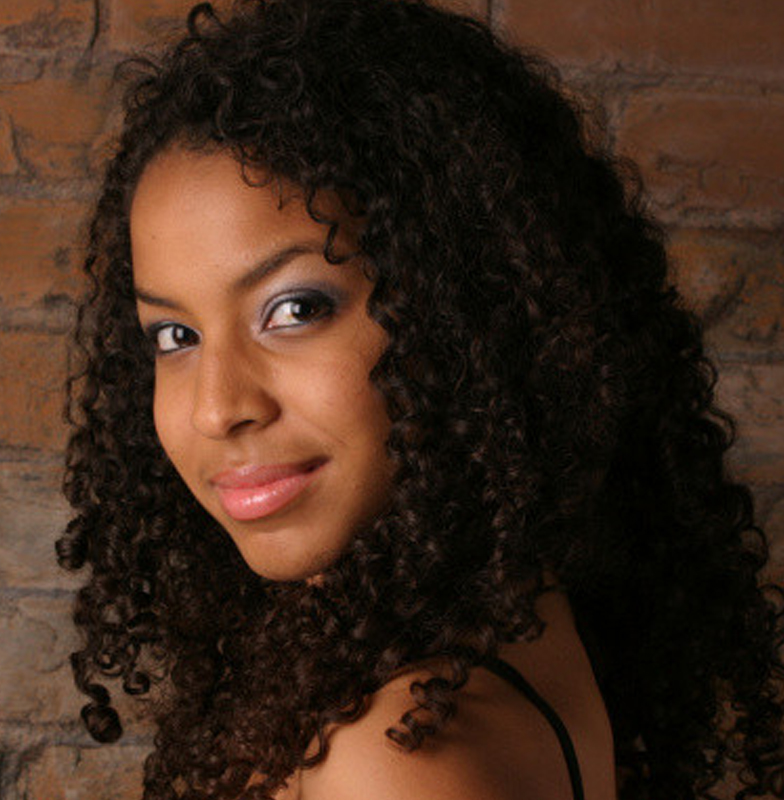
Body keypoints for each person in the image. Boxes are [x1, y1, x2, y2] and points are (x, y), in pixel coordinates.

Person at [56, 0, 784, 798]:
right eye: (175, 335)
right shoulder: (504, 625)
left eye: (295, 309)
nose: (215, 407)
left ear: (465, 310)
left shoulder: (397, 755)